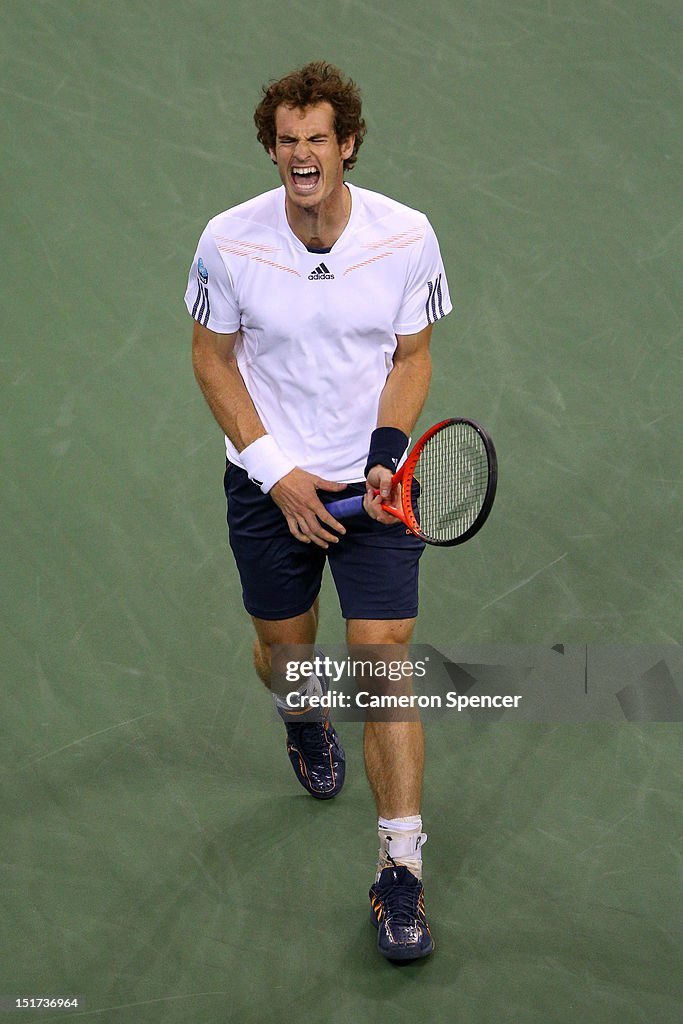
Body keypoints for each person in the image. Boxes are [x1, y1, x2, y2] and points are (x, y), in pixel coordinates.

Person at [185, 61, 451, 961]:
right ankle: (302, 713)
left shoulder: (405, 236)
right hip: (270, 490)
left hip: (373, 493)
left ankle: (399, 871)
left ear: (348, 146)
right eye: (287, 142)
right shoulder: (229, 241)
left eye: (318, 141)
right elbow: (213, 359)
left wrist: (385, 456)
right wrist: (276, 473)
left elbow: (410, 354)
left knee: (383, 661)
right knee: (286, 653)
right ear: (273, 149)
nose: (303, 157)